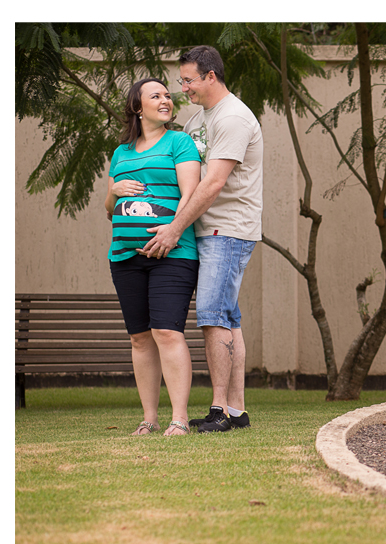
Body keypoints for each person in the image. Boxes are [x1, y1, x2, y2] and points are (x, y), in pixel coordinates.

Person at [138, 46, 263, 433]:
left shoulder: (234, 118)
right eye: (182, 81)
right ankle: (237, 411)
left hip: (226, 228)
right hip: (207, 229)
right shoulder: (199, 119)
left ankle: (219, 411)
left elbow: (212, 184)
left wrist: (175, 228)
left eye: (189, 80)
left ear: (211, 76)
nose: (183, 88)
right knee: (227, 318)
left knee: (211, 316)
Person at [104, 78, 201, 436]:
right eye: (155, 96)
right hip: (125, 256)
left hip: (173, 252)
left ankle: (179, 418)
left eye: (167, 95)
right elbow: (109, 210)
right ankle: (149, 418)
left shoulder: (180, 142)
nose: (165, 100)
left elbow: (191, 197)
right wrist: (113, 191)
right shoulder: (121, 153)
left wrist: (171, 231)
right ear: (137, 107)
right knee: (140, 337)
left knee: (166, 331)